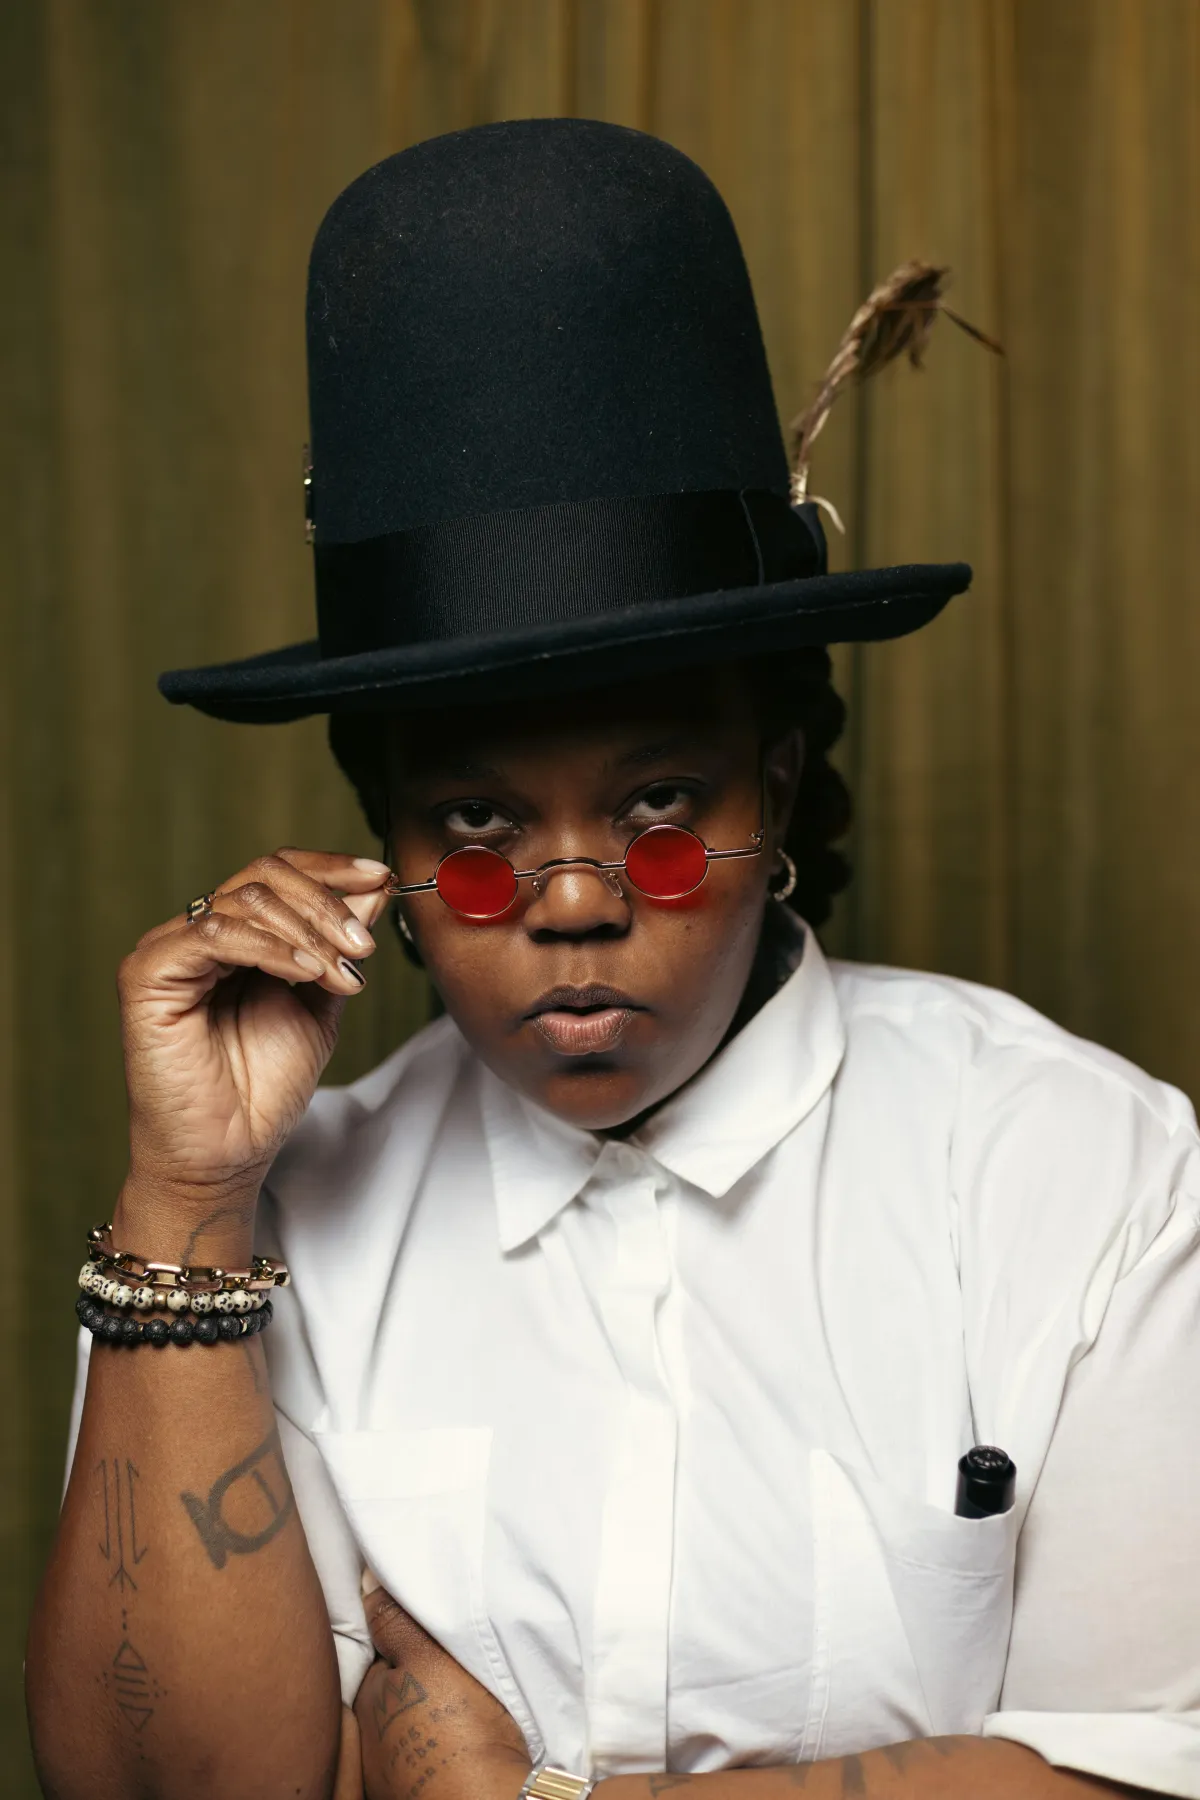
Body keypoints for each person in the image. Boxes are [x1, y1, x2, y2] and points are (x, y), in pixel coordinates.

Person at [26, 119, 1199, 1800]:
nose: (574, 905)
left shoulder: (1082, 1174)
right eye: (478, 828)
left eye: (659, 813)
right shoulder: (251, 1233)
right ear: (383, 855)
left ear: (773, 791)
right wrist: (186, 1198)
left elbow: (1147, 1770)